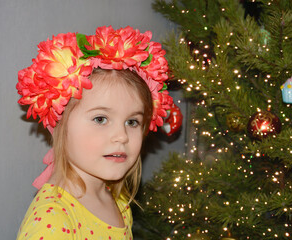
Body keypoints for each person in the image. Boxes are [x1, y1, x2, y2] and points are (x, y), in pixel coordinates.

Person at [16, 26, 174, 240]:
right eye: (100, 119)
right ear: (60, 124)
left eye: (132, 122)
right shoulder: (52, 220)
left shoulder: (117, 199)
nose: (122, 136)